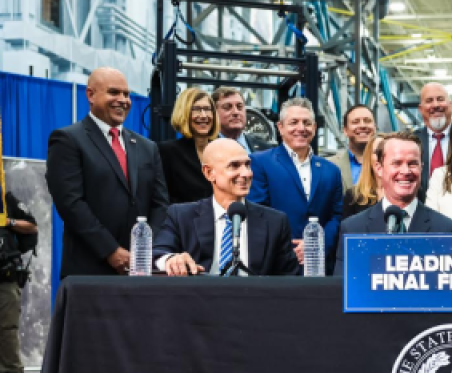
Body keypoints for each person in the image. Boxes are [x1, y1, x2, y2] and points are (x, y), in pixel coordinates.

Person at [46, 67, 169, 277]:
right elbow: (70, 203)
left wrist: (146, 250)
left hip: (141, 271)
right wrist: (110, 251)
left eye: (127, 94)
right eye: (114, 92)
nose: (123, 100)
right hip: (89, 271)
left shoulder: (147, 147)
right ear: (90, 95)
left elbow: (160, 204)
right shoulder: (68, 140)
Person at [153, 138, 300, 276]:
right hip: (199, 300)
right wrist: (171, 259)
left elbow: (289, 279)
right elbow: (157, 253)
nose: (246, 173)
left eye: (247, 165)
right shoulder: (181, 215)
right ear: (209, 173)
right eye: (234, 165)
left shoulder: (275, 222)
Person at [335, 132, 452, 273]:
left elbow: (448, 292)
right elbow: (343, 290)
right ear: (379, 168)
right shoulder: (353, 229)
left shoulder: (445, 230)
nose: (405, 171)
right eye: (397, 163)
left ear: (421, 168)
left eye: (412, 163)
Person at [249, 97, 345, 273]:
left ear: (314, 128)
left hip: (321, 266)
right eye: (293, 122)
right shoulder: (260, 163)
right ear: (280, 127)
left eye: (307, 123)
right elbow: (258, 212)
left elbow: (336, 216)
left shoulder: (331, 170)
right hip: (277, 265)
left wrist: (317, 245)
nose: (301, 128)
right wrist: (290, 250)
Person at [0, 193, 37, 373]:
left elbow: (31, 226)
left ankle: (12, 372)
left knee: (8, 326)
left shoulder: (5, 198)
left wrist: (7, 221)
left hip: (5, 274)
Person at [158, 88, 220, 204]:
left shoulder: (223, 150)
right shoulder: (168, 152)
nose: (203, 115)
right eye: (196, 109)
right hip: (182, 220)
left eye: (207, 109)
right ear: (184, 113)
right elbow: (161, 199)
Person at [324, 104, 377, 192]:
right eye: (355, 122)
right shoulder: (328, 166)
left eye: (367, 121)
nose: (362, 125)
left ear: (374, 127)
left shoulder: (387, 163)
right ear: (345, 130)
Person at [212, 86, 275, 153]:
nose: (236, 112)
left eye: (239, 107)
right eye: (227, 107)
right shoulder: (204, 147)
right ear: (214, 113)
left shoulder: (266, 149)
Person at [414, 82, 452, 178]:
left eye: (440, 99)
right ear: (420, 109)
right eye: (429, 101)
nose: (435, 105)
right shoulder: (412, 141)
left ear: (451, 105)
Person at [342, 134, 386, 220]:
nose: (382, 157)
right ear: (368, 157)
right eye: (377, 152)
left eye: (386, 152)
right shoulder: (353, 196)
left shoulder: (408, 192)